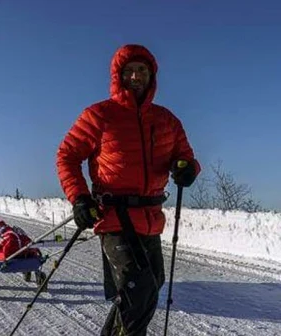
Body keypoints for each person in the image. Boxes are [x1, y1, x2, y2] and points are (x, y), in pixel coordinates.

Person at [55, 44, 201, 335]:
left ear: (151, 76)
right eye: (129, 71)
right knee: (138, 286)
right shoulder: (99, 115)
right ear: (118, 76)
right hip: (113, 215)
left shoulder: (166, 120)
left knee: (151, 283)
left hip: (150, 216)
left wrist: (186, 168)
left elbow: (185, 156)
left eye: (142, 70)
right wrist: (80, 198)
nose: (136, 76)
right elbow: (67, 156)